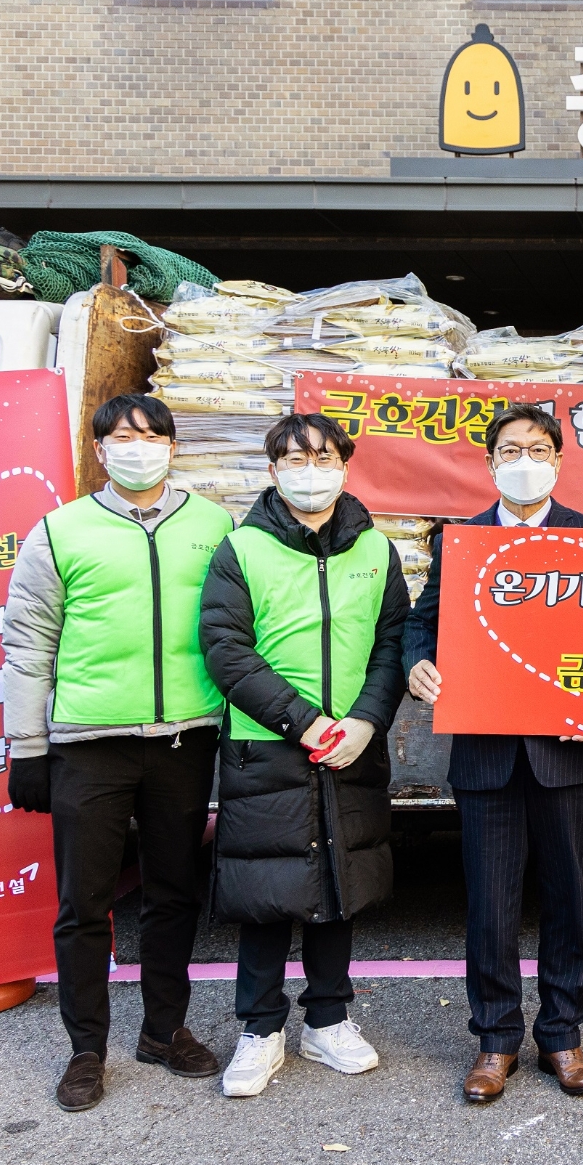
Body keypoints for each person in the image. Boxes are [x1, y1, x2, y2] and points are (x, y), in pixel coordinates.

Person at [2, 393, 236, 1112]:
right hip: (88, 744)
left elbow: (235, 628)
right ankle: (86, 1048)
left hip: (183, 739)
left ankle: (164, 1030)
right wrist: (28, 745)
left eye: (152, 434)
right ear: (100, 450)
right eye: (122, 436)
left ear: (173, 445)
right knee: (85, 903)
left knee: (173, 894)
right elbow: (27, 640)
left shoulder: (215, 524)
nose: (138, 446)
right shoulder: (61, 529)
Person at [403, 404, 583, 1104]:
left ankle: (563, 1032)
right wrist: (417, 665)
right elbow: (420, 623)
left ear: (559, 459)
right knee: (490, 902)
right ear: (491, 464)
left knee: (569, 898)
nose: (525, 458)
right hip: (486, 752)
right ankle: (495, 1040)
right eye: (511, 448)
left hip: (568, 753)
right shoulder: (460, 542)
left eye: (538, 447)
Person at [199, 412, 410, 1099]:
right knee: (266, 892)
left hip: (350, 744)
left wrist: (367, 720)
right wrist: (303, 720)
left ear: (345, 466)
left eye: (322, 456)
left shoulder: (377, 549)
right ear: (273, 470)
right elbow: (226, 649)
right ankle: (260, 1029)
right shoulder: (243, 548)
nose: (309, 468)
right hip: (270, 745)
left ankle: (328, 1017)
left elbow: (391, 643)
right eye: (294, 457)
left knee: (336, 887)